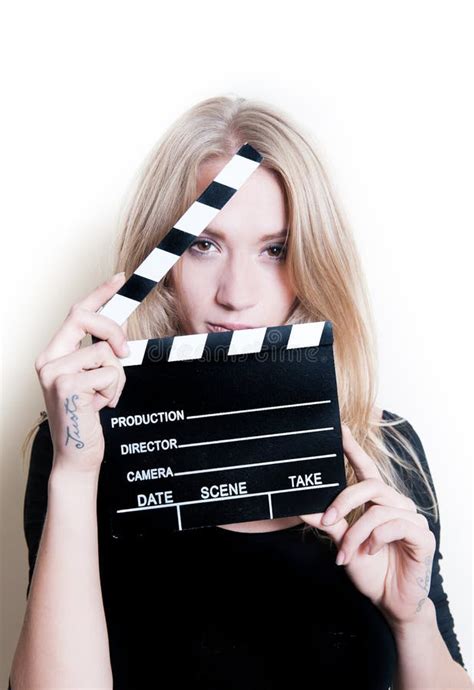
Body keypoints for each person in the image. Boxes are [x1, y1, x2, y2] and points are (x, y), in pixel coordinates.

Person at [8, 95, 472, 689]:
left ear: (313, 259)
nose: (237, 293)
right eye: (204, 244)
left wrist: (411, 621)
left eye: (274, 250)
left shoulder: (387, 452)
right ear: (164, 262)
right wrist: (75, 476)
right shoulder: (80, 449)